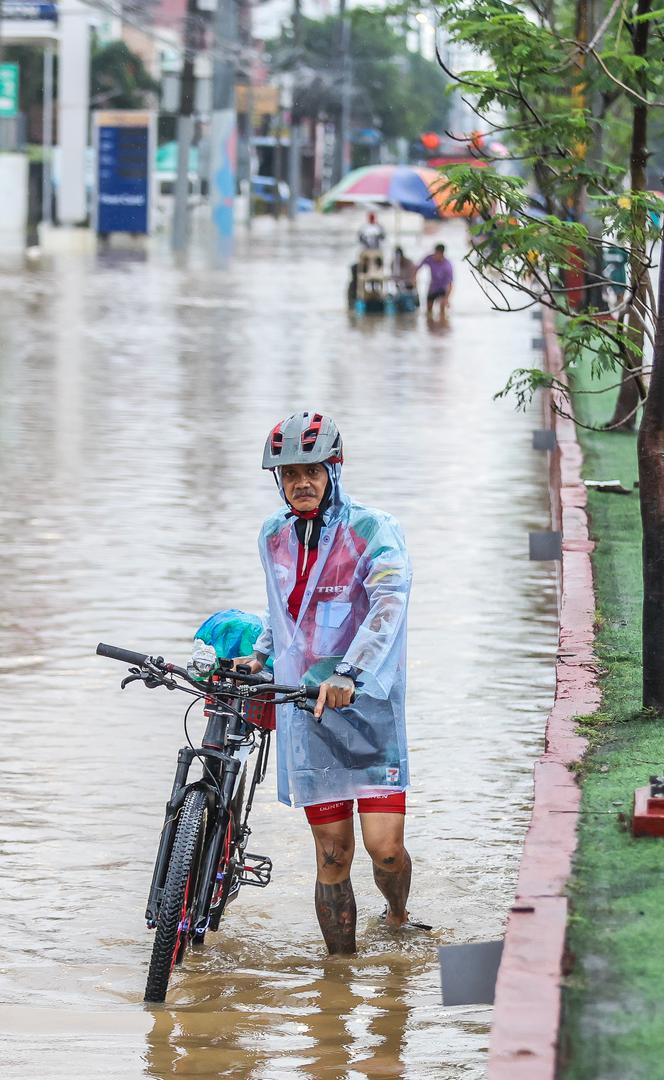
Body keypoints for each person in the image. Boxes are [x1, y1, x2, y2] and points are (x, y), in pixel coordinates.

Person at [238, 411, 418, 952]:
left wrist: (351, 671)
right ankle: (337, 985)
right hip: (306, 709)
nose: (301, 483)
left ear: (333, 470)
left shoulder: (373, 529)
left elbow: (389, 603)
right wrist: (261, 657)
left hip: (367, 708)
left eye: (311, 470)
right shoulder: (274, 536)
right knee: (333, 854)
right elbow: (283, 611)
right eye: (289, 473)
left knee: (384, 850)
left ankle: (397, 913)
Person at [418, 243, 453, 318]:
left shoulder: (447, 266)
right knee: (428, 311)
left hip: (442, 289)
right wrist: (414, 277)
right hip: (432, 288)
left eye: (437, 254)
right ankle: (430, 325)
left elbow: (450, 284)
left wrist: (447, 298)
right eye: (435, 253)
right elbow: (418, 266)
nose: (435, 256)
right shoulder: (430, 258)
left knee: (442, 309)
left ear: (442, 254)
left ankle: (442, 323)